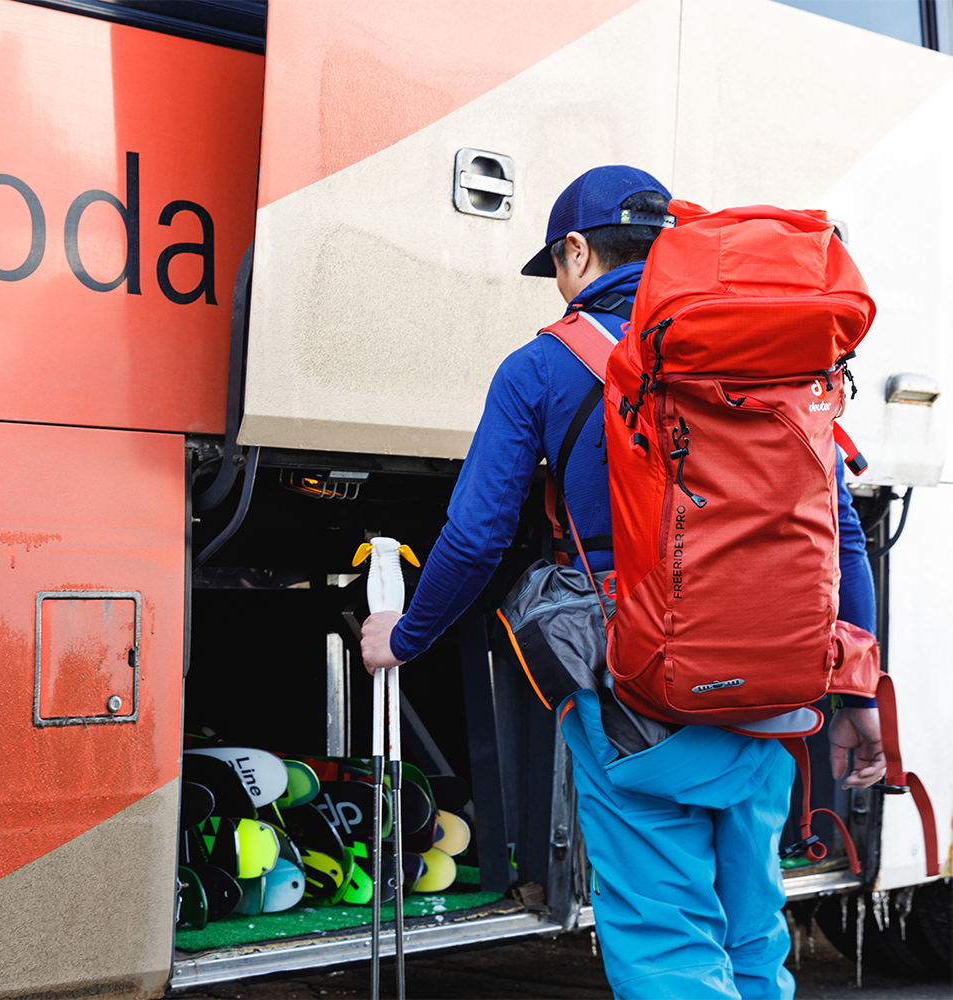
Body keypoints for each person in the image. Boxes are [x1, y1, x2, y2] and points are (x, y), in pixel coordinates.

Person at [359, 165, 887, 999]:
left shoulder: (542, 365)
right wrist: (859, 696)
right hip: (777, 693)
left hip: (639, 687)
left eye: (559, 266)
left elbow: (476, 535)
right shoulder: (762, 358)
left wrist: (405, 636)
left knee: (667, 943)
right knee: (753, 938)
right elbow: (843, 536)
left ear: (576, 250)